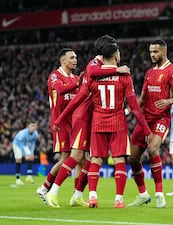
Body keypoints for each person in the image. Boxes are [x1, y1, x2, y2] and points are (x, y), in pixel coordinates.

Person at [44, 35, 130, 208]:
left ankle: (77, 195)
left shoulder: (103, 66)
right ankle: (52, 191)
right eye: (115, 47)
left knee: (91, 158)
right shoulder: (94, 64)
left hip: (95, 117)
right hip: (83, 116)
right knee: (75, 156)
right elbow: (92, 73)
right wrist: (117, 70)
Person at [128, 39, 173, 208]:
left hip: (162, 119)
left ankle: (159, 194)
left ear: (163, 52)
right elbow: (143, 98)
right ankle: (143, 194)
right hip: (145, 119)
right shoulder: (149, 73)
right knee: (132, 158)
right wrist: (127, 110)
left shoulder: (171, 70)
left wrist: (168, 101)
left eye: (155, 52)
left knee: (153, 148)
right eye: (151, 52)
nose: (152, 55)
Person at [36, 48, 80, 203]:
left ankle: (77, 195)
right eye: (72, 57)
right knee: (66, 158)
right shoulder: (55, 76)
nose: (75, 60)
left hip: (74, 123)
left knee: (80, 158)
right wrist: (77, 83)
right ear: (63, 60)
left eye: (76, 57)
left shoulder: (75, 77)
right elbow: (60, 90)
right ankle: (44, 188)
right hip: (59, 123)